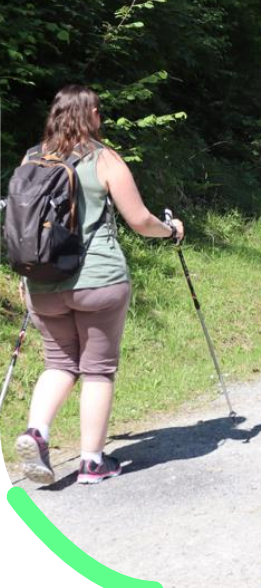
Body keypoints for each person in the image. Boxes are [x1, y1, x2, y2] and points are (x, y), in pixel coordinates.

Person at [14, 85, 184, 486]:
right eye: (98, 111)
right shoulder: (102, 158)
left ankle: (36, 431)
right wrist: (171, 230)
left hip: (43, 282)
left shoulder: (31, 158)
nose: (101, 118)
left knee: (58, 363)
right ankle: (92, 461)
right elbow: (140, 219)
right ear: (89, 113)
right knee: (98, 371)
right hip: (98, 280)